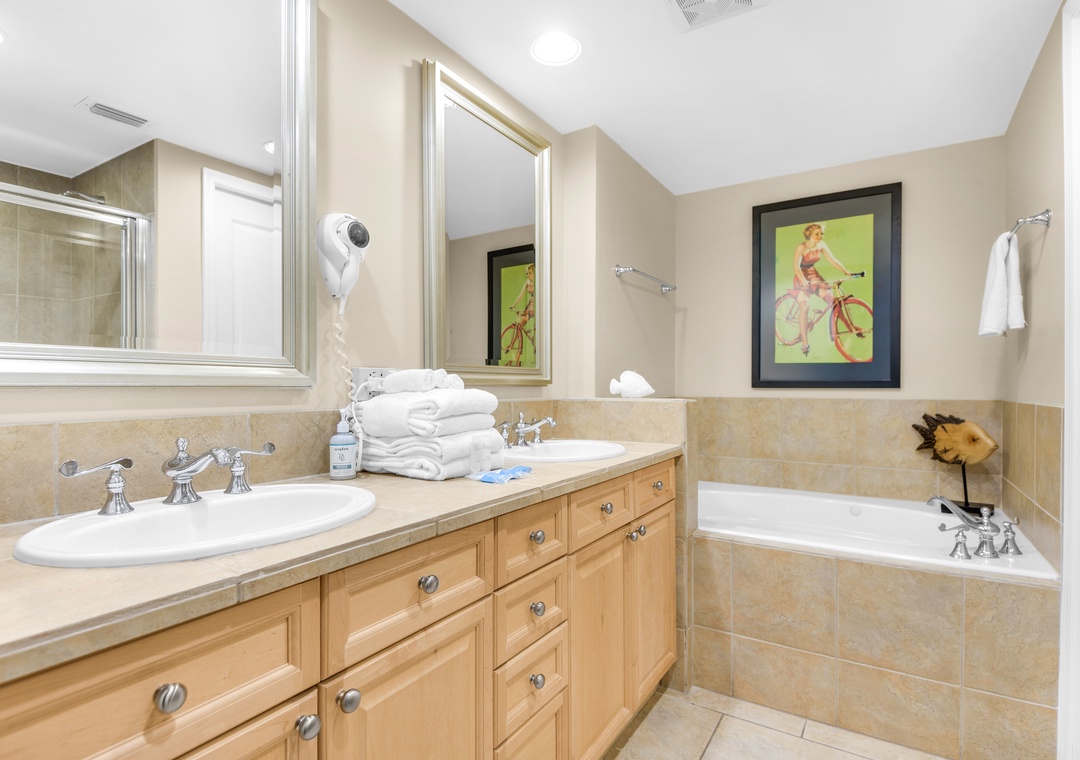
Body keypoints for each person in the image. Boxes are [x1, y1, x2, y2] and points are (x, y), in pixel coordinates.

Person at [792, 223, 855, 355]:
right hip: (801, 277)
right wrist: (803, 281)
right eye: (817, 234)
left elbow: (833, 260)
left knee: (832, 300)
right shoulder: (801, 247)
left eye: (821, 234)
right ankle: (805, 344)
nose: (820, 236)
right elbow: (797, 267)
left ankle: (851, 328)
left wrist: (846, 271)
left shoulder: (821, 245)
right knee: (804, 307)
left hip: (814, 276)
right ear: (810, 234)